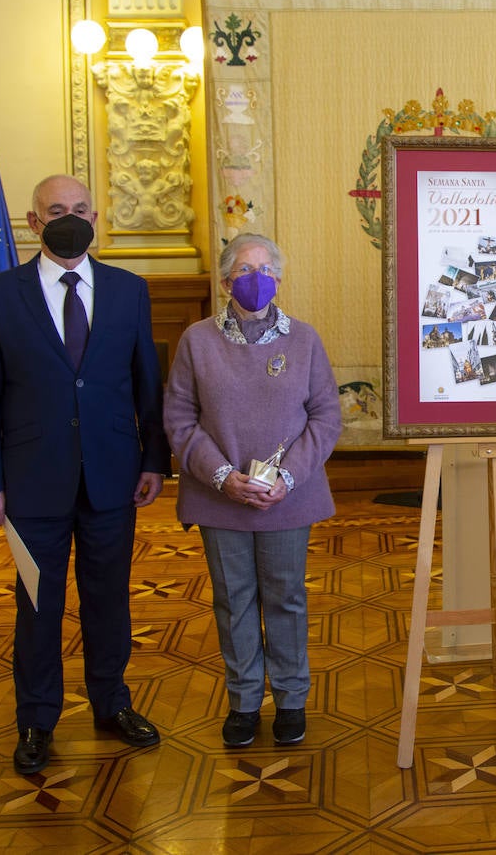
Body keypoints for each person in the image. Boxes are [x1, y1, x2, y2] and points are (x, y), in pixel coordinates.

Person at [0, 174, 171, 775]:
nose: (70, 218)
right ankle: (36, 719)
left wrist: (154, 459)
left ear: (96, 216)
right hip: (30, 482)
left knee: (109, 602)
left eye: (80, 209)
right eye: (57, 210)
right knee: (37, 606)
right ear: (33, 222)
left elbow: (146, 385)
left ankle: (111, 704)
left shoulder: (129, 291)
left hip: (113, 477)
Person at [164, 233, 341, 747]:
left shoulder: (304, 340)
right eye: (243, 270)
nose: (255, 279)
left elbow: (326, 418)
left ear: (280, 280)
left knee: (285, 598)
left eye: (265, 269)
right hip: (221, 498)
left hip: (289, 497)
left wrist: (286, 478)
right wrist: (221, 476)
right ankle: (243, 700)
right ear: (224, 282)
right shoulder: (197, 341)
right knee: (233, 599)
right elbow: (179, 418)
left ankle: (290, 698)